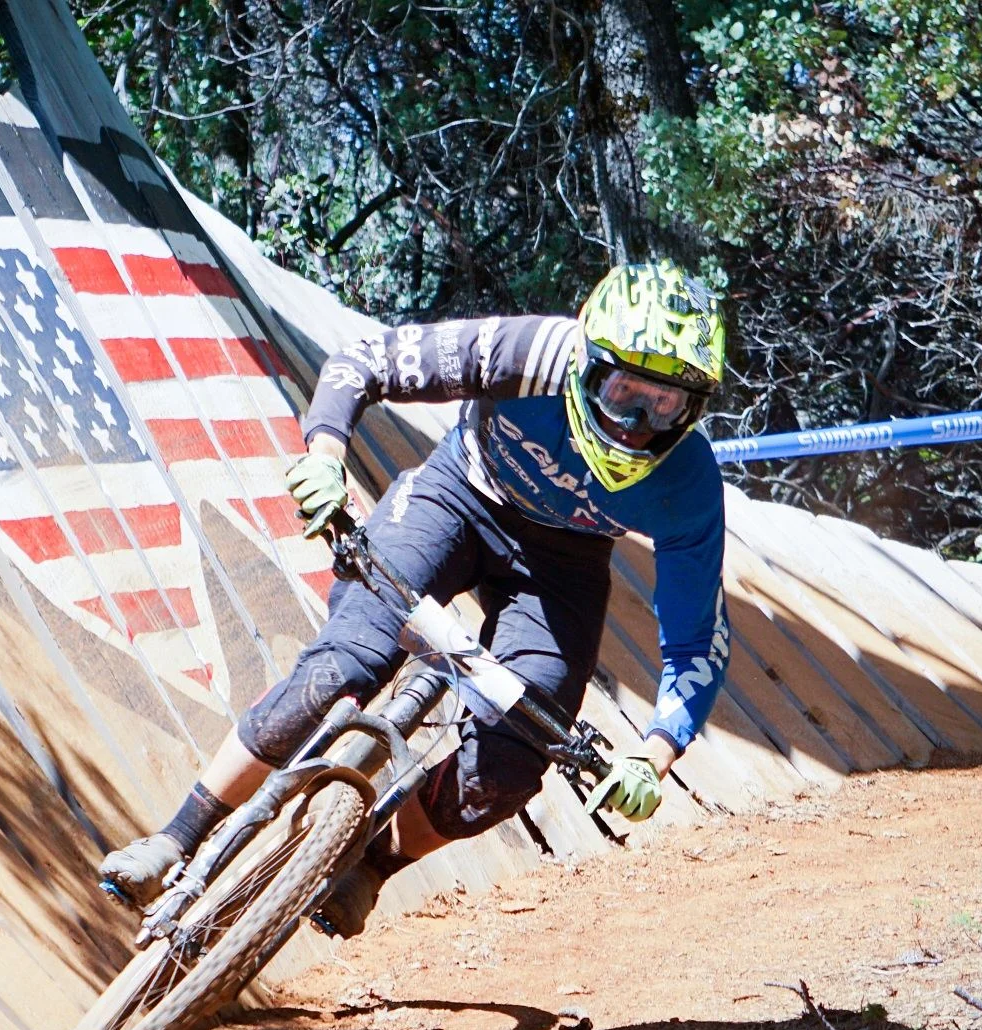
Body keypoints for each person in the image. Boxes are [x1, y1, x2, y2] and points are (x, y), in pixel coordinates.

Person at [101, 259, 733, 937]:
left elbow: (696, 640)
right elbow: (365, 361)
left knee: (512, 765)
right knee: (338, 669)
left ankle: (373, 866)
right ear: (586, 363)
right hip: (459, 495)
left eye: (665, 406)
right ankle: (175, 837)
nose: (637, 424)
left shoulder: (690, 484)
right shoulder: (530, 353)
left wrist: (655, 752)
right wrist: (324, 453)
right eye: (623, 391)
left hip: (563, 566)